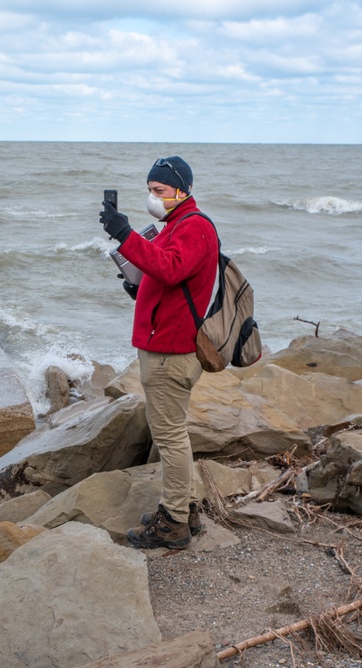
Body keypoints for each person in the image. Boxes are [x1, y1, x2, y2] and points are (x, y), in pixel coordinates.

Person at [99, 156, 219, 549]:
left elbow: (169, 269)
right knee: (173, 434)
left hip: (171, 351)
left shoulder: (195, 227)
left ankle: (174, 524)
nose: (153, 197)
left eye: (160, 191)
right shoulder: (178, 225)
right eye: (150, 190)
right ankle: (186, 509)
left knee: (169, 437)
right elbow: (168, 276)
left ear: (182, 190)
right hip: (164, 343)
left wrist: (127, 236)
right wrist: (139, 287)